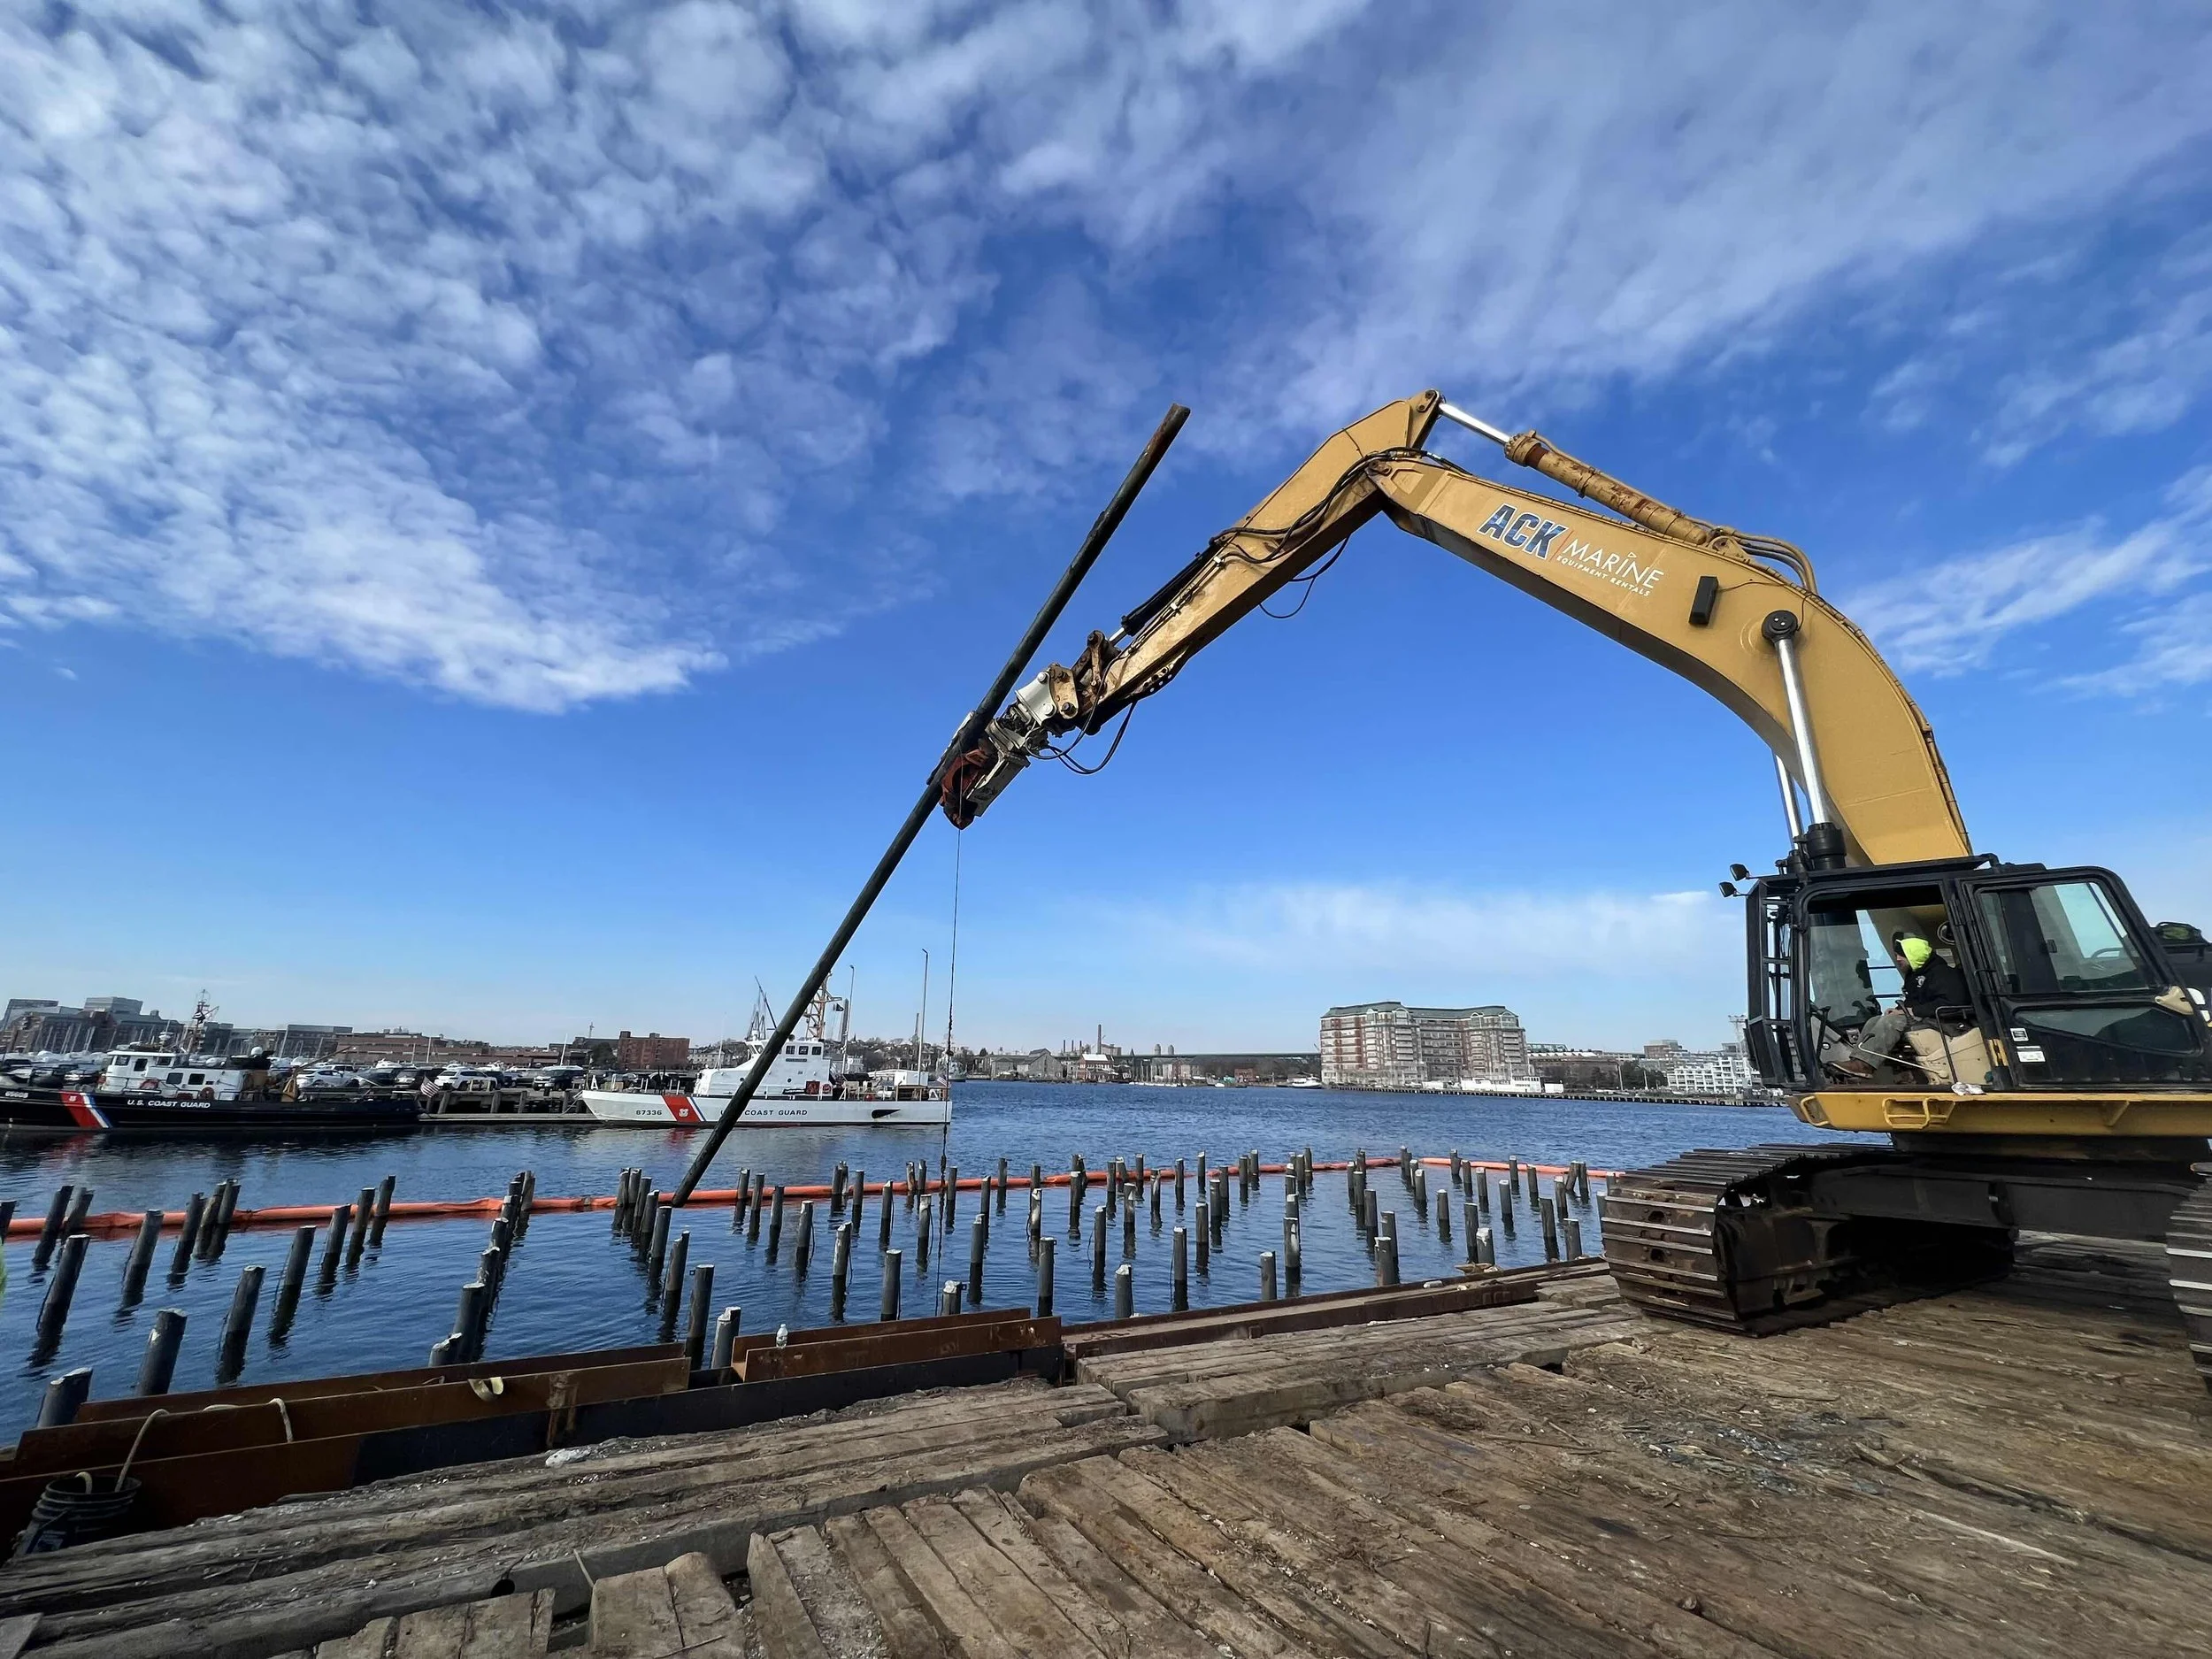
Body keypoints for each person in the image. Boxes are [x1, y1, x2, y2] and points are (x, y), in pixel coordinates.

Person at [1843, 930, 1970, 1076]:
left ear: (1913, 954)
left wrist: (1912, 1011)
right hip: (1925, 1018)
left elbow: (1953, 1003)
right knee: (1874, 1020)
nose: (1897, 959)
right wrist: (1899, 1009)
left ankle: (1864, 1065)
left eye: (1901, 955)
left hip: (1946, 1022)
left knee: (1891, 1023)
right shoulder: (1914, 975)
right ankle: (1857, 1061)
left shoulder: (1944, 975)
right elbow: (1912, 1000)